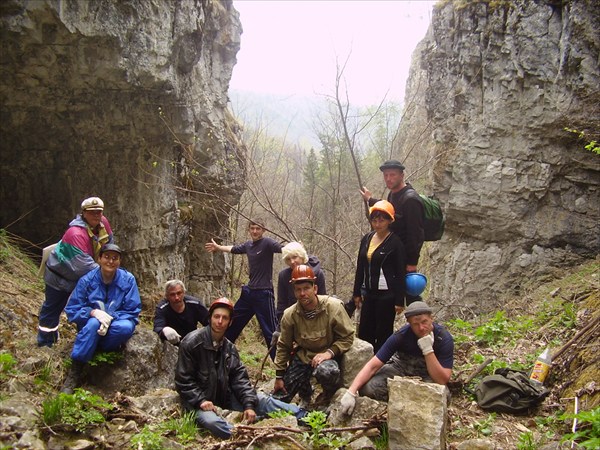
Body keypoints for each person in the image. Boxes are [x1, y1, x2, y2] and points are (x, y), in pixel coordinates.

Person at [175, 297, 307, 439]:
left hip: (223, 396)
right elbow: (183, 380)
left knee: (261, 399)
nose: (220, 321)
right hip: (197, 402)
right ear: (210, 318)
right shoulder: (192, 342)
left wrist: (248, 405)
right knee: (212, 422)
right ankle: (246, 436)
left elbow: (240, 380)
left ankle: (305, 416)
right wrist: (201, 400)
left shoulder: (229, 348)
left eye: (224, 318)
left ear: (230, 322)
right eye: (216, 317)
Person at [340, 301, 454, 415]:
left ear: (431, 319)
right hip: (401, 370)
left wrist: (428, 350)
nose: (421, 328)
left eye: (424, 322)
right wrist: (351, 391)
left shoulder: (443, 338)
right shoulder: (401, 336)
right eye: (415, 324)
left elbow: (442, 379)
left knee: (443, 397)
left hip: (428, 375)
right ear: (409, 323)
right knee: (367, 388)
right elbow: (372, 366)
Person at [62, 244, 142, 393]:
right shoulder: (87, 280)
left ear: (119, 261)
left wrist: (111, 317)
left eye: (115, 258)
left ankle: (97, 347)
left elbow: (133, 308)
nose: (110, 262)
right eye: (107, 257)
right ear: (99, 259)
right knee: (93, 324)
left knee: (125, 327)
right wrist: (92, 313)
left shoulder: (128, 279)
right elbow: (72, 310)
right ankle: (75, 371)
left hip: (116, 322)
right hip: (91, 323)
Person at [273, 265, 355, 407]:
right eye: (298, 290)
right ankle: (306, 395)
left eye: (306, 288)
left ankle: (328, 398)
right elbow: (283, 346)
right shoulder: (289, 315)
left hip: (328, 356)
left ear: (315, 289)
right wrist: (279, 376)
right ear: (294, 292)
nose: (302, 293)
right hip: (304, 356)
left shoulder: (333, 307)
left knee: (327, 372)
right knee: (279, 399)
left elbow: (347, 337)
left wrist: (329, 353)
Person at [37, 196, 114, 347]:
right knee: (53, 308)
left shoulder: (103, 223)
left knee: (88, 307)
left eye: (99, 212)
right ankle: (45, 342)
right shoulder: (75, 234)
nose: (96, 215)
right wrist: (109, 274)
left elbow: (109, 243)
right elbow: (82, 266)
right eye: (92, 212)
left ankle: (86, 341)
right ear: (83, 213)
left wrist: (109, 260)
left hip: (81, 276)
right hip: (60, 277)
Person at [204, 218, 281, 359]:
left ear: (263, 230)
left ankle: (281, 367)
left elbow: (283, 249)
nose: (255, 231)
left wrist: (296, 247)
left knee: (270, 332)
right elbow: (233, 249)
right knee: (232, 323)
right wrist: (219, 248)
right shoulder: (248, 245)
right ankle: (218, 356)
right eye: (252, 228)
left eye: (258, 229)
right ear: (249, 230)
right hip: (248, 293)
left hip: (264, 293)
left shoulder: (268, 243)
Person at [360, 160, 424, 308]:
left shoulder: (411, 200)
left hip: (405, 259)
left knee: (411, 296)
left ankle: (421, 326)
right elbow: (390, 211)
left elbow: (416, 234)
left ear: (402, 175)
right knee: (393, 297)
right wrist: (371, 200)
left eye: (392, 175)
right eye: (386, 175)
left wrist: (412, 263)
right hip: (393, 256)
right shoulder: (393, 195)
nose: (388, 178)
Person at [353, 200, 407, 353]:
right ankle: (364, 364)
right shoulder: (367, 239)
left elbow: (400, 272)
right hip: (368, 293)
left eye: (381, 220)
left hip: (387, 295)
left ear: (390, 220)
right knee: (364, 330)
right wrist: (356, 292)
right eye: (374, 220)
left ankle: (381, 364)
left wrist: (399, 300)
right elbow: (361, 267)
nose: (377, 224)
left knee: (383, 332)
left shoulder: (395, 243)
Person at [276, 241, 327, 323]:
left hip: (316, 318)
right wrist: (283, 323)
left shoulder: (318, 274)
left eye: (295, 257)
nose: (292, 262)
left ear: (302, 256)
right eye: (288, 259)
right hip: (293, 319)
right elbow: (282, 304)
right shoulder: (283, 276)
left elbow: (323, 301)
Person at [153, 279, 209, 345]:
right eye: (172, 294)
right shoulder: (162, 308)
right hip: (171, 345)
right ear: (167, 296)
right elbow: (157, 328)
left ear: (184, 293)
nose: (176, 298)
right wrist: (164, 330)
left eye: (179, 293)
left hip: (192, 343)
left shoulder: (195, 304)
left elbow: (210, 322)